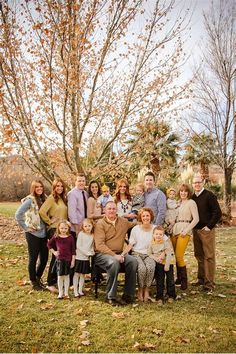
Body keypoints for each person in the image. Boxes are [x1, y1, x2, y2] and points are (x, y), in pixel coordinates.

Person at [94, 201, 137, 305]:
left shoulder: (123, 221)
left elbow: (135, 223)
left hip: (119, 253)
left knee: (133, 261)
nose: (111, 211)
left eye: (113, 209)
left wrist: (147, 223)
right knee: (114, 263)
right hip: (102, 255)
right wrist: (114, 256)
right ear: (104, 210)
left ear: (116, 210)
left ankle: (128, 295)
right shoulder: (100, 224)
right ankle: (110, 296)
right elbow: (99, 245)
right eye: (109, 209)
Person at [15, 180, 48, 290]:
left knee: (44, 258)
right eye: (36, 187)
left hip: (44, 234)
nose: (39, 188)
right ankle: (33, 282)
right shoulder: (30, 200)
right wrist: (26, 228)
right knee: (33, 258)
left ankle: (38, 278)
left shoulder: (44, 199)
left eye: (41, 186)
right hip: (33, 234)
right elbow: (18, 215)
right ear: (33, 188)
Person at [192, 175, 222, 292]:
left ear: (203, 182)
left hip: (206, 230)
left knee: (209, 256)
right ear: (192, 184)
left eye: (199, 182)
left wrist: (209, 226)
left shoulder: (209, 195)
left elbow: (217, 212)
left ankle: (209, 284)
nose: (197, 184)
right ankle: (201, 279)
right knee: (199, 255)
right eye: (195, 183)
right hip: (196, 230)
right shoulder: (193, 197)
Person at [39, 177, 68, 292]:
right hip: (54, 231)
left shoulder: (63, 199)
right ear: (54, 188)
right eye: (58, 186)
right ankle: (50, 283)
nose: (60, 188)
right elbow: (42, 211)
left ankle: (56, 280)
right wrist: (50, 221)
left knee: (61, 256)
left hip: (63, 230)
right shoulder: (51, 198)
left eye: (61, 186)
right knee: (56, 256)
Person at [123, 207, 156, 302]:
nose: (145, 218)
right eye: (143, 216)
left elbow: (164, 241)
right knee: (142, 268)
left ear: (151, 217)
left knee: (150, 267)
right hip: (136, 254)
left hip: (150, 254)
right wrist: (123, 254)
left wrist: (163, 253)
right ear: (140, 218)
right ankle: (140, 289)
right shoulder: (136, 229)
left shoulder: (155, 228)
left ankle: (147, 290)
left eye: (147, 216)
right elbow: (130, 244)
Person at [172, 184, 199, 290]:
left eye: (185, 191)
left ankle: (184, 281)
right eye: (181, 191)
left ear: (188, 192)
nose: (183, 193)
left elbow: (196, 219)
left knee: (179, 256)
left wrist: (187, 230)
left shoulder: (191, 203)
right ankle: (178, 278)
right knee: (175, 256)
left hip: (184, 230)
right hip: (175, 230)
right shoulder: (178, 203)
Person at [148, 225, 176, 305]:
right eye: (156, 234)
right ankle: (159, 297)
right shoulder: (151, 243)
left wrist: (167, 265)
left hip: (168, 263)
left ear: (163, 236)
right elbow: (149, 253)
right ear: (153, 235)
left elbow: (169, 254)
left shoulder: (165, 243)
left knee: (170, 280)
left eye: (160, 234)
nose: (158, 236)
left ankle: (171, 295)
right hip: (159, 264)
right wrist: (156, 259)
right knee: (160, 280)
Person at [48, 220, 75, 299]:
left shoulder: (70, 237)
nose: (63, 230)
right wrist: (54, 252)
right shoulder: (56, 236)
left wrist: (73, 260)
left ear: (68, 229)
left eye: (65, 228)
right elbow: (49, 244)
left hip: (68, 260)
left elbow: (73, 250)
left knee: (66, 276)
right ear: (58, 228)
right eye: (62, 228)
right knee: (60, 276)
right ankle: (60, 292)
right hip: (60, 260)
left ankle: (66, 292)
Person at [73, 218, 95, 298]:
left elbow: (92, 246)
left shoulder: (92, 235)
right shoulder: (81, 234)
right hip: (79, 257)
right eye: (85, 226)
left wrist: (92, 251)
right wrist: (87, 253)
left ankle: (80, 290)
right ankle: (75, 291)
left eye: (89, 226)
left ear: (92, 226)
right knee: (77, 274)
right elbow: (78, 246)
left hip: (86, 258)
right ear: (83, 227)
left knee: (83, 275)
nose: (87, 228)